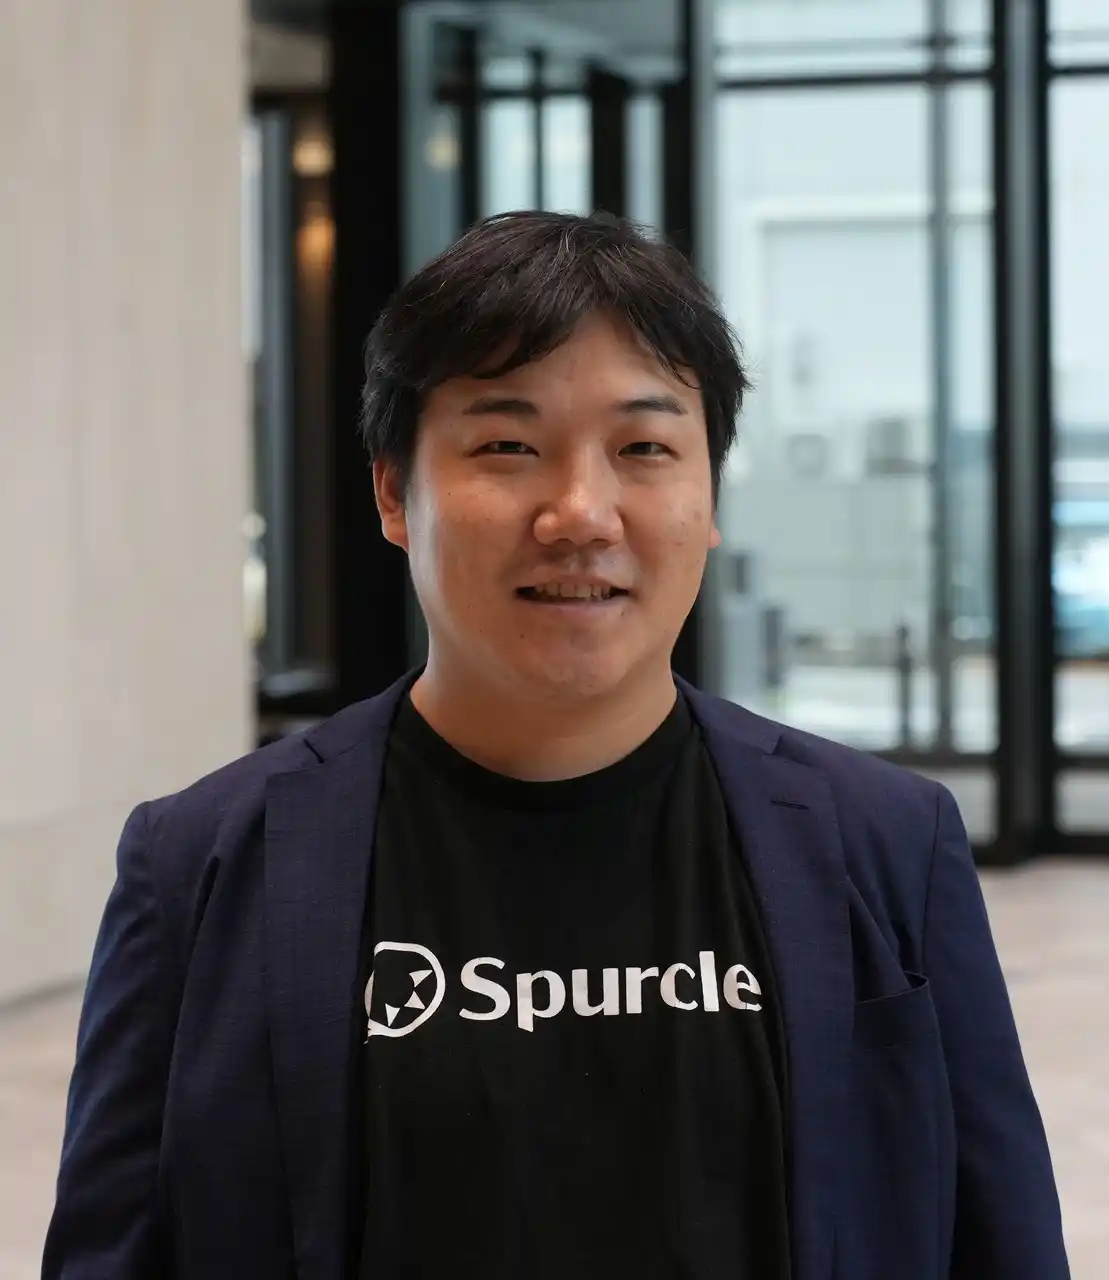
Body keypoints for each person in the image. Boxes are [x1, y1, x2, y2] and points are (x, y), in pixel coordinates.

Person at [43, 210, 1069, 1280]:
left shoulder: (884, 841)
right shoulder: (199, 863)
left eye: (643, 448)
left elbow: (998, 1242)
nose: (580, 513)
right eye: (507, 446)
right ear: (394, 491)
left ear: (709, 490)